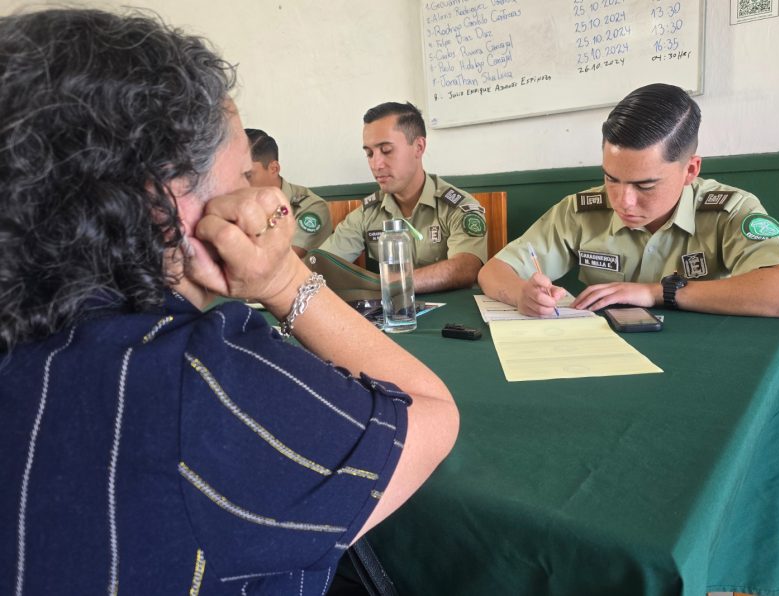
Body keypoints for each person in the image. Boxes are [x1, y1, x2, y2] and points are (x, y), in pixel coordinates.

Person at [0, 8, 458, 596]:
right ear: (160, 194)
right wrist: (280, 280)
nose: (259, 198)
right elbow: (431, 416)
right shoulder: (193, 379)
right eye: (241, 175)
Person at [478, 83, 779, 320]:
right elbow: (495, 271)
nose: (624, 201)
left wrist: (657, 293)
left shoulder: (728, 210)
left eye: (645, 185)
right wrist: (521, 294)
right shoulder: (580, 210)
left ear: (690, 170)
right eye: (611, 178)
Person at [318, 101, 487, 293]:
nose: (376, 164)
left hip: (450, 317)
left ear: (418, 147)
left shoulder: (457, 206)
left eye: (386, 150)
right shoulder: (367, 214)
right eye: (369, 153)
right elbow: (322, 265)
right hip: (389, 317)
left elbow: (465, 267)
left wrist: (383, 284)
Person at [244, 128, 333, 257]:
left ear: (274, 169)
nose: (239, 183)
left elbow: (282, 259)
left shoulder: (310, 207)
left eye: (247, 175)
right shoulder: (236, 204)